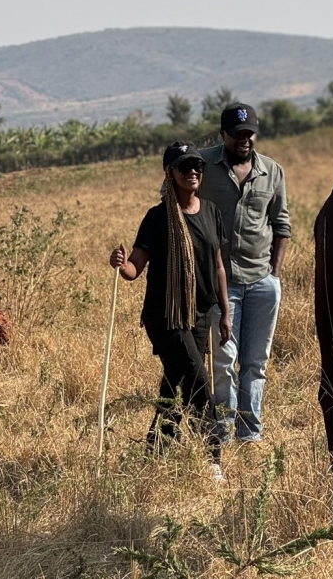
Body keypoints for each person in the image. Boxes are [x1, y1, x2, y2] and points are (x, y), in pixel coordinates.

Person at [109, 140, 232, 478]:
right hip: (167, 317)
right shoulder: (157, 218)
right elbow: (135, 267)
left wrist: (226, 312)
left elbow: (218, 265)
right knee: (198, 381)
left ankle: (155, 450)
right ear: (170, 173)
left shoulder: (210, 211)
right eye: (184, 167)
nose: (192, 171)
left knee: (174, 385)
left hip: (201, 314)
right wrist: (121, 266)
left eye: (197, 166)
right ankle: (213, 458)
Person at [199, 103, 291, 444]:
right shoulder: (203, 165)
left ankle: (249, 435)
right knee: (224, 362)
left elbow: (282, 223)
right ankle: (221, 433)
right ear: (223, 135)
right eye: (237, 134)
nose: (244, 139)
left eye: (249, 133)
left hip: (262, 282)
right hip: (221, 285)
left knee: (256, 363)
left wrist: (275, 275)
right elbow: (176, 202)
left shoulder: (272, 171)